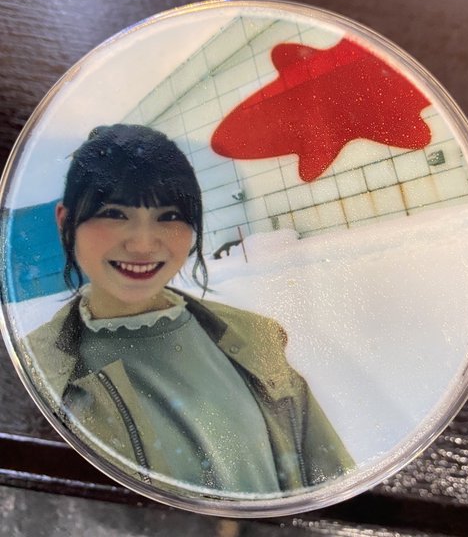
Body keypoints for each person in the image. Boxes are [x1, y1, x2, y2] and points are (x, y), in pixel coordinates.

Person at [27, 124, 353, 496]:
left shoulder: (253, 339)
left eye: (168, 216)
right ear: (65, 221)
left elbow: (333, 489)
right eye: (115, 213)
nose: (143, 244)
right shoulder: (34, 372)